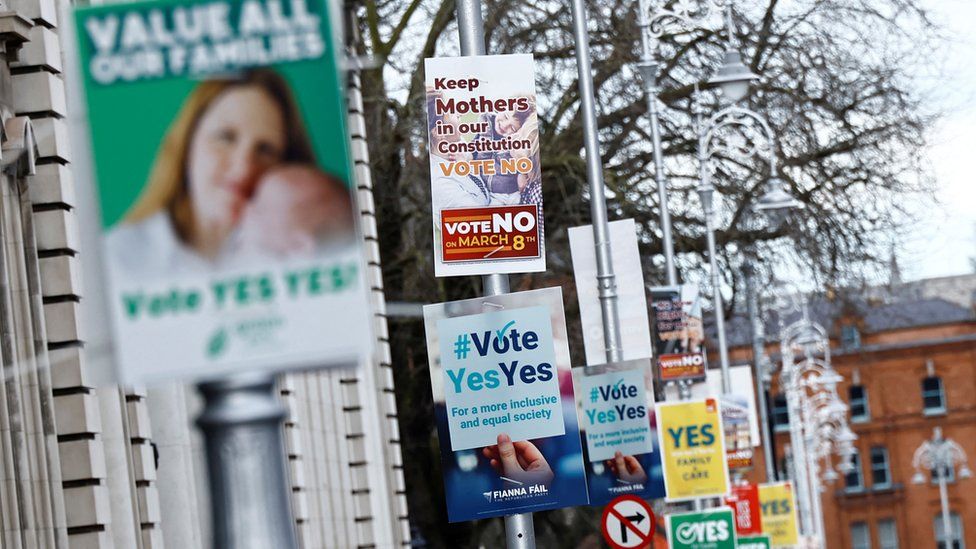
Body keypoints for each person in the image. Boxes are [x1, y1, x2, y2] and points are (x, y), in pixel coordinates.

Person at [106, 68, 349, 279]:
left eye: (265, 149)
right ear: (187, 143)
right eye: (225, 137)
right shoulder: (117, 260)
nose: (243, 168)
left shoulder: (309, 253)